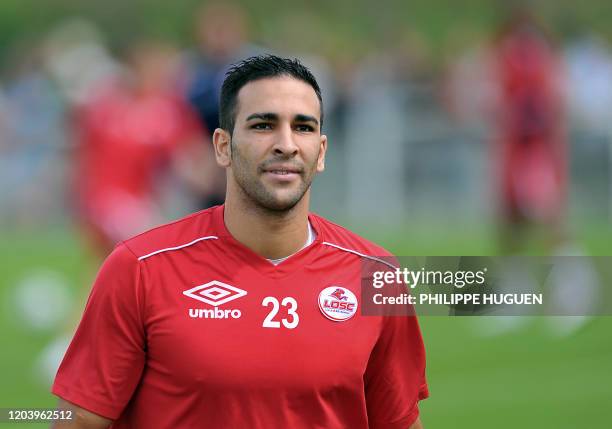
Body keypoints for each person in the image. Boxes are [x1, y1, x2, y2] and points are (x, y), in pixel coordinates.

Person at [51, 55, 428, 429]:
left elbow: (399, 423)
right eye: (263, 125)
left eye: (303, 127)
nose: (286, 144)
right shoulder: (140, 267)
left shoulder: (377, 275)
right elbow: (80, 421)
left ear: (322, 152)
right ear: (221, 146)